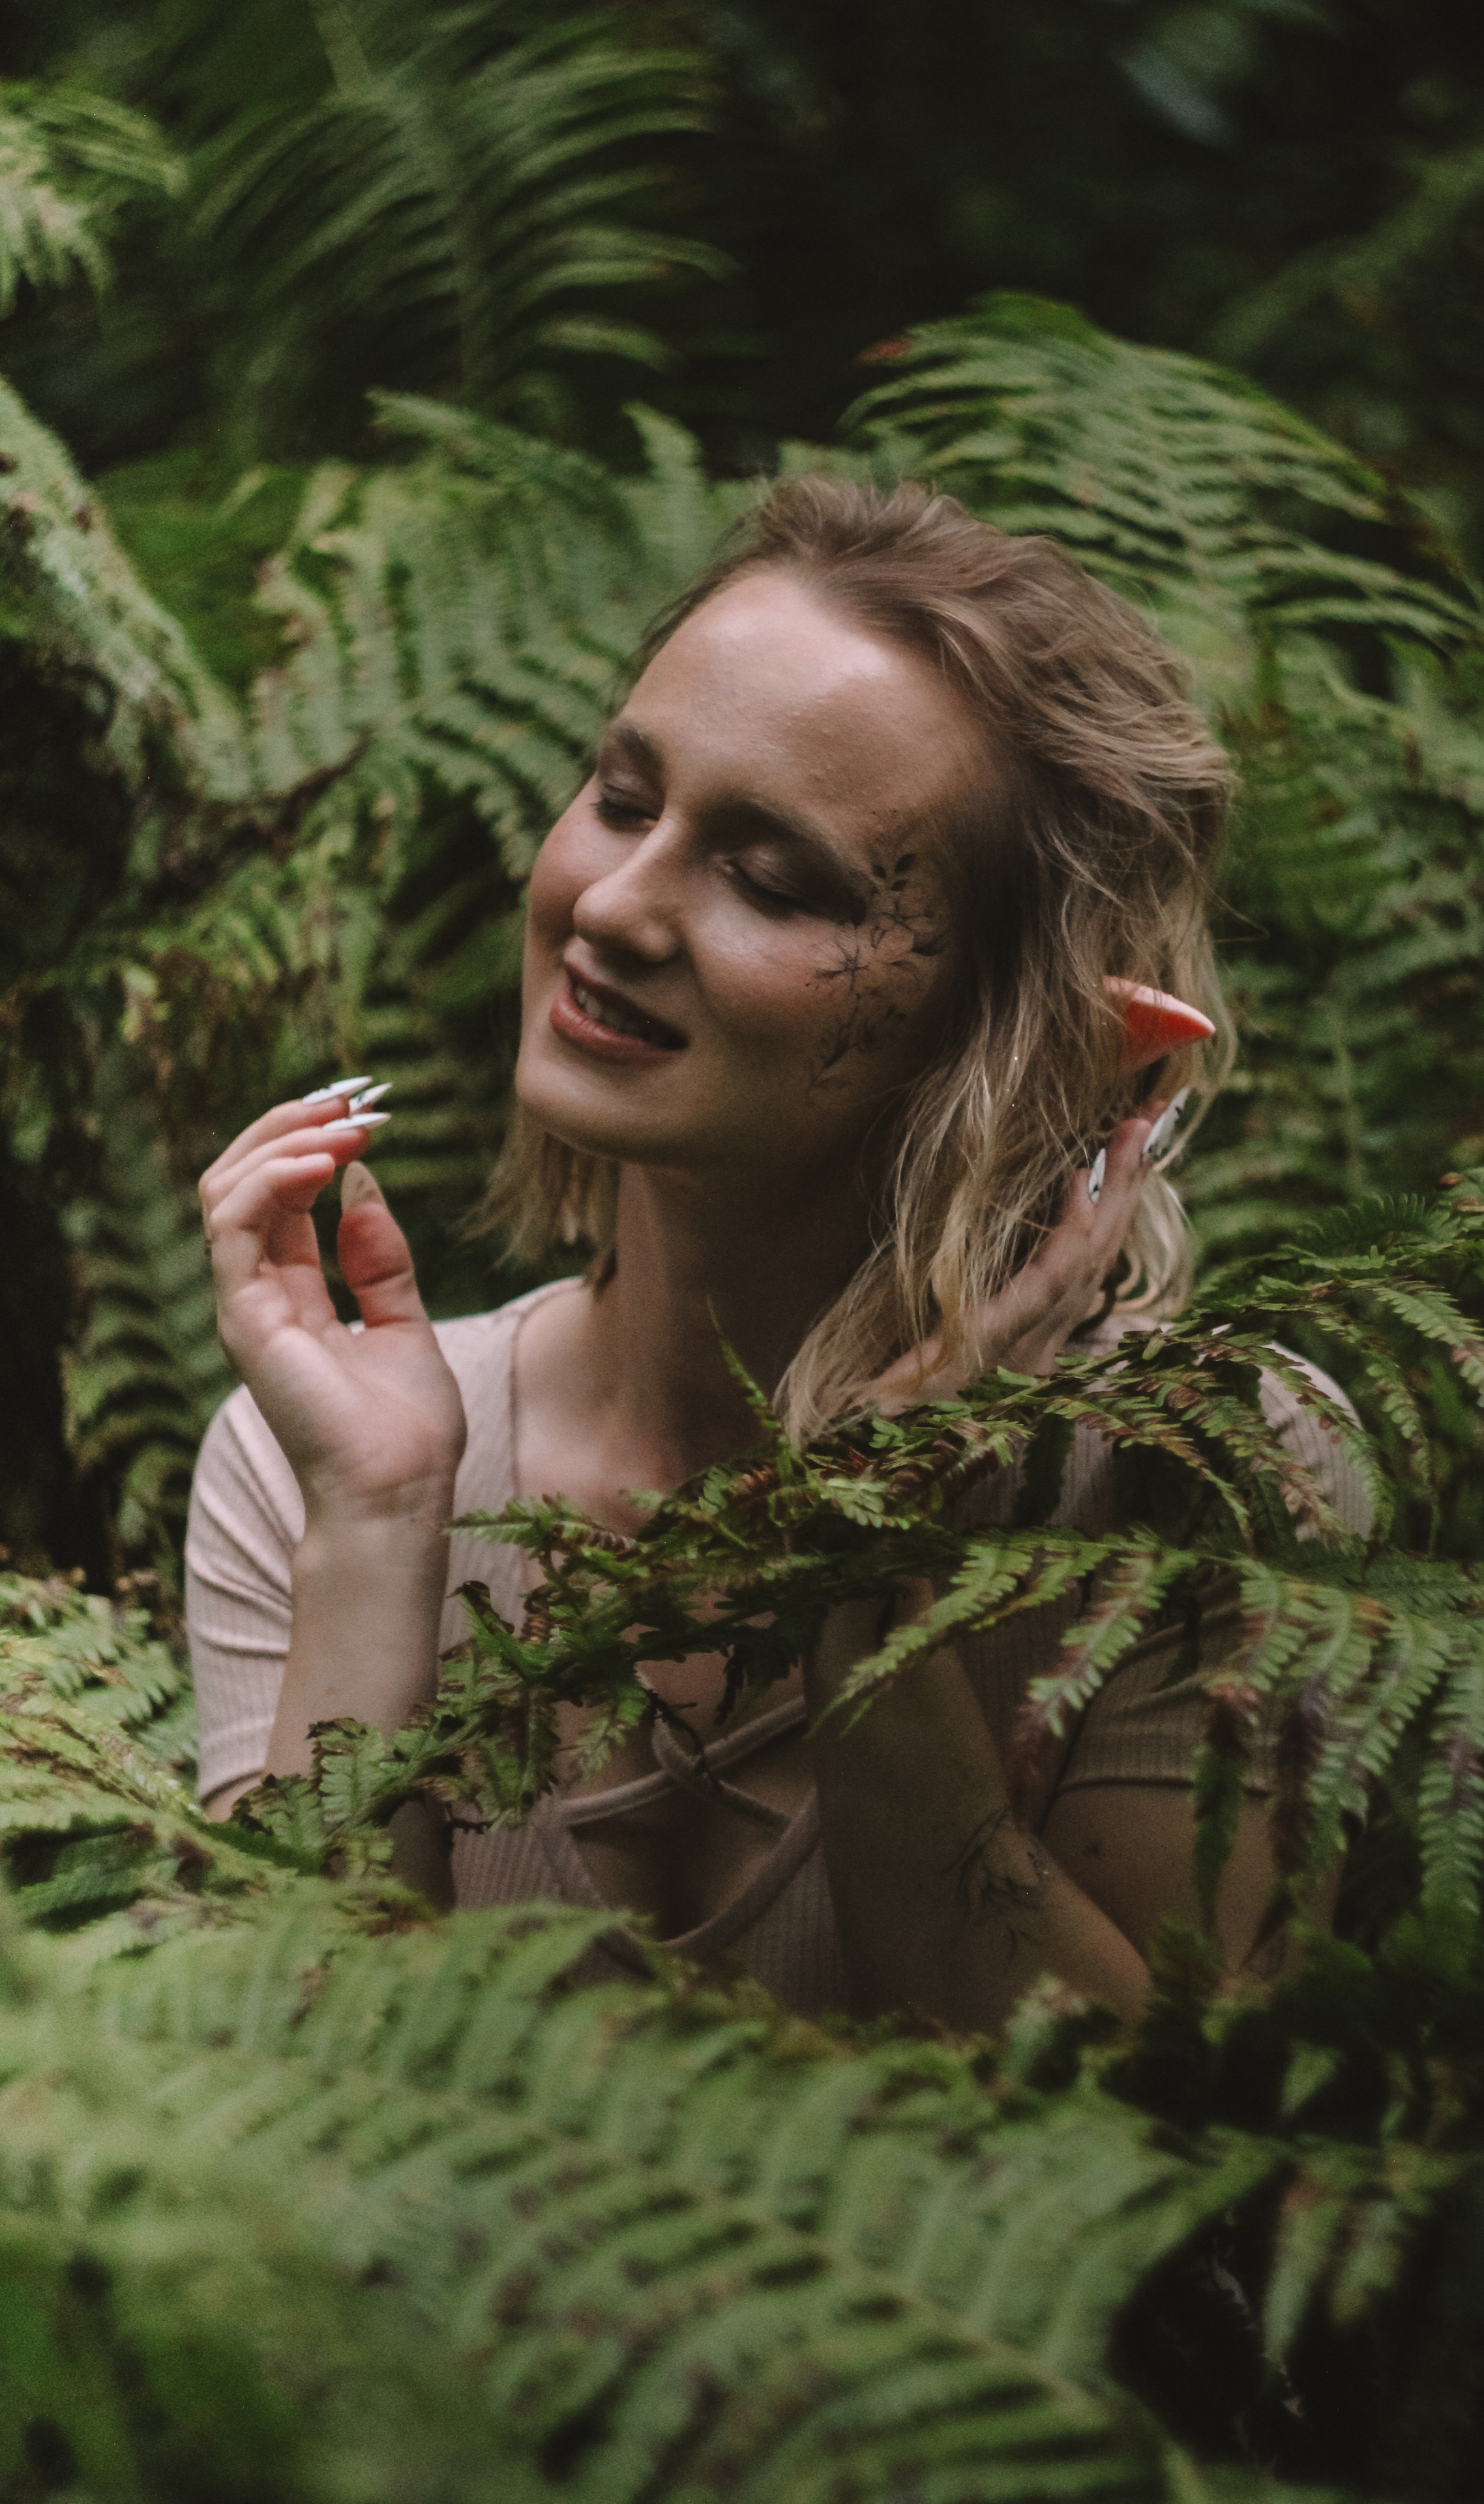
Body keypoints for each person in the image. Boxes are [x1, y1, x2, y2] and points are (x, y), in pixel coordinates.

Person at [187, 477, 1366, 2034]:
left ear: (1042, 1047)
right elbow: (260, 2158)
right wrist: (382, 1521)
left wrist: (868, 1581)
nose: (610, 904)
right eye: (621, 798)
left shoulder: (1206, 1477)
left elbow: (1162, 2195)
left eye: (769, 878)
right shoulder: (327, 1454)